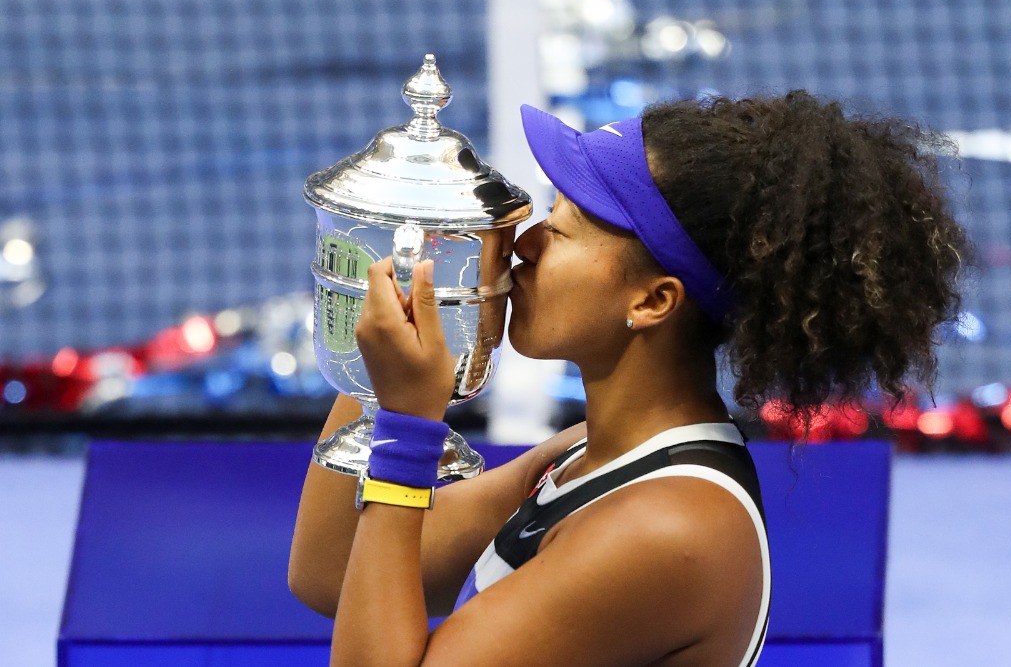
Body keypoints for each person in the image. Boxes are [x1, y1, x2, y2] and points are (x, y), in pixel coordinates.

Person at [289, 90, 970, 666]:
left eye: (565, 226)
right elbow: (328, 567)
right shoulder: (588, 455)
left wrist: (410, 424)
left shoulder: (666, 527)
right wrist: (380, 320)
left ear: (652, 301)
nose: (522, 244)